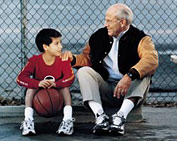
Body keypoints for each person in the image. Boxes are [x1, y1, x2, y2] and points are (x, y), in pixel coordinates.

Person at [62, 3, 158, 135]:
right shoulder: (98, 36)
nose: (105, 24)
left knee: (144, 73)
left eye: (109, 21)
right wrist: (73, 59)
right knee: (84, 71)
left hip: (130, 91)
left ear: (123, 22)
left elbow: (151, 59)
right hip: (106, 88)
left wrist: (129, 75)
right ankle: (100, 117)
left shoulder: (141, 39)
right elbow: (87, 59)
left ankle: (120, 117)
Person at [16, 28, 75, 136]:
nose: (61, 46)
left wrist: (56, 84)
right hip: (39, 95)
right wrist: (37, 83)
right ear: (45, 47)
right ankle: (28, 121)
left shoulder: (63, 59)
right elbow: (20, 78)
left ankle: (67, 120)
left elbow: (70, 77)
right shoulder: (34, 61)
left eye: (60, 43)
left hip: (57, 95)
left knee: (65, 88)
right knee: (31, 88)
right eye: (56, 43)